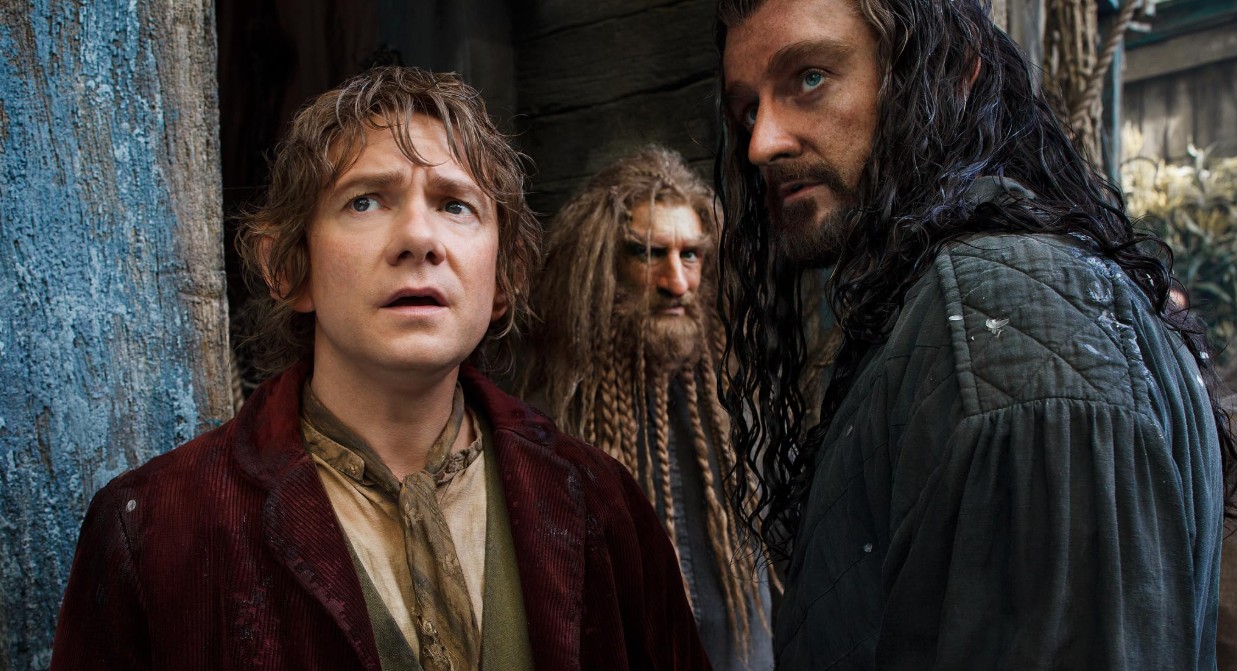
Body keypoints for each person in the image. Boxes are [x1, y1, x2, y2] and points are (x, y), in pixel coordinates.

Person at [51, 66, 709, 671]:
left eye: (455, 204)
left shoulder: (603, 504)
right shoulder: (157, 528)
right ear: (288, 267)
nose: (419, 239)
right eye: (365, 200)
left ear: (505, 277)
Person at [714, 0, 1235, 668]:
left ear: (950, 75)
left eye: (809, 77)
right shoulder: (953, 306)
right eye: (746, 110)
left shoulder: (1009, 316)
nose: (761, 143)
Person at [518, 145, 774, 670]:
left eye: (690, 255)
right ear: (602, 267)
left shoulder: (738, 401)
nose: (676, 282)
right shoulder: (553, 420)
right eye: (649, 253)